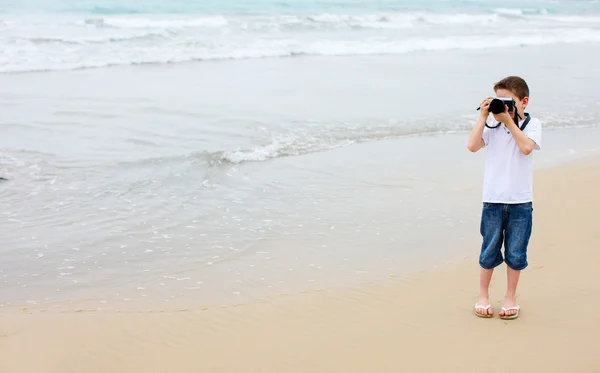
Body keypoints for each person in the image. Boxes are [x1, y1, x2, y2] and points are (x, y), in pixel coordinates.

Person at [467, 76, 542, 320]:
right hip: (493, 199)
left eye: (508, 101)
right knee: (488, 250)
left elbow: (526, 148)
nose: (504, 106)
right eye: (499, 100)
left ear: (523, 102)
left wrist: (509, 121)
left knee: (516, 253)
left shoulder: (532, 124)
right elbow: (472, 146)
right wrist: (483, 117)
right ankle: (482, 295)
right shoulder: (493, 126)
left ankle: (510, 297)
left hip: (520, 201)